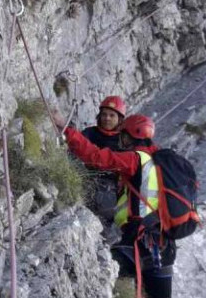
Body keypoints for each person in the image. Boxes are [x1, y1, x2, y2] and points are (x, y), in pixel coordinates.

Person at [53, 113, 175, 298]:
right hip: (164, 246)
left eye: (122, 135)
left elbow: (96, 157)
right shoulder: (160, 161)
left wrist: (66, 130)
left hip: (140, 244)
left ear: (130, 136)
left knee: (95, 270)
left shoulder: (135, 159)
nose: (120, 139)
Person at [80, 96, 128, 225]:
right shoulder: (90, 133)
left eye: (112, 115)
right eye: (104, 114)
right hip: (85, 177)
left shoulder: (124, 141)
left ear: (119, 119)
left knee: (106, 214)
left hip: (110, 186)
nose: (107, 118)